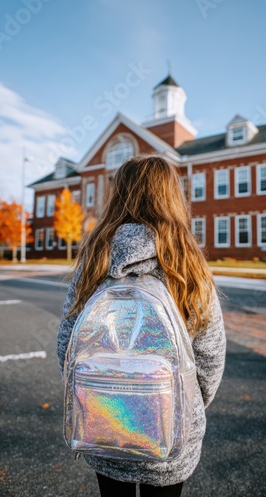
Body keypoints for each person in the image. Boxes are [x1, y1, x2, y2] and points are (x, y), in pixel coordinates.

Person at [57, 155, 226, 497]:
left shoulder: (95, 260)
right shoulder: (187, 263)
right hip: (171, 436)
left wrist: (98, 398)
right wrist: (184, 405)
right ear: (172, 198)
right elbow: (209, 355)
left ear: (117, 196)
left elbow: (67, 344)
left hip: (105, 424)